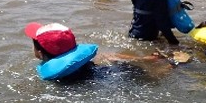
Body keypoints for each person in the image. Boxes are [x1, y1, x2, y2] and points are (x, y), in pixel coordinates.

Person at [24, 22, 171, 81]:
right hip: (111, 73)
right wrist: (143, 58)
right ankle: (168, 63)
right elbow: (108, 56)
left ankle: (173, 64)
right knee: (151, 77)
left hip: (106, 80)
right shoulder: (85, 61)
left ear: (40, 53)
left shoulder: (53, 75)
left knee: (153, 78)